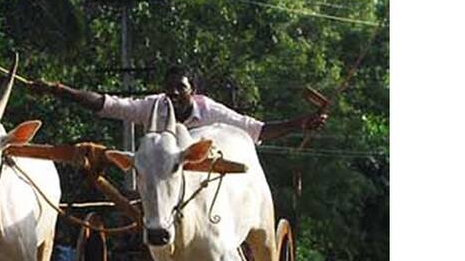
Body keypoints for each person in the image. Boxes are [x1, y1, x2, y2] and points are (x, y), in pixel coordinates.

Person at [28, 64, 327, 143]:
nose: (173, 93)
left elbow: (257, 130)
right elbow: (108, 104)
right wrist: (57, 89)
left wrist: (300, 124)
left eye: (180, 88)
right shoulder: (153, 106)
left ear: (192, 91)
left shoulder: (210, 111)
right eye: (168, 87)